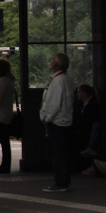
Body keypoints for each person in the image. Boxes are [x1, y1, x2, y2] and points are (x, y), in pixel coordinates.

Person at [39, 52, 75, 192]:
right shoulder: (67, 79)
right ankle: (64, 180)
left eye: (52, 59)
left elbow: (53, 104)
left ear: (55, 63)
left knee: (57, 154)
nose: (51, 61)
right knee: (63, 153)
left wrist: (46, 118)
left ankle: (60, 182)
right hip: (66, 121)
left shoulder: (57, 81)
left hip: (57, 122)